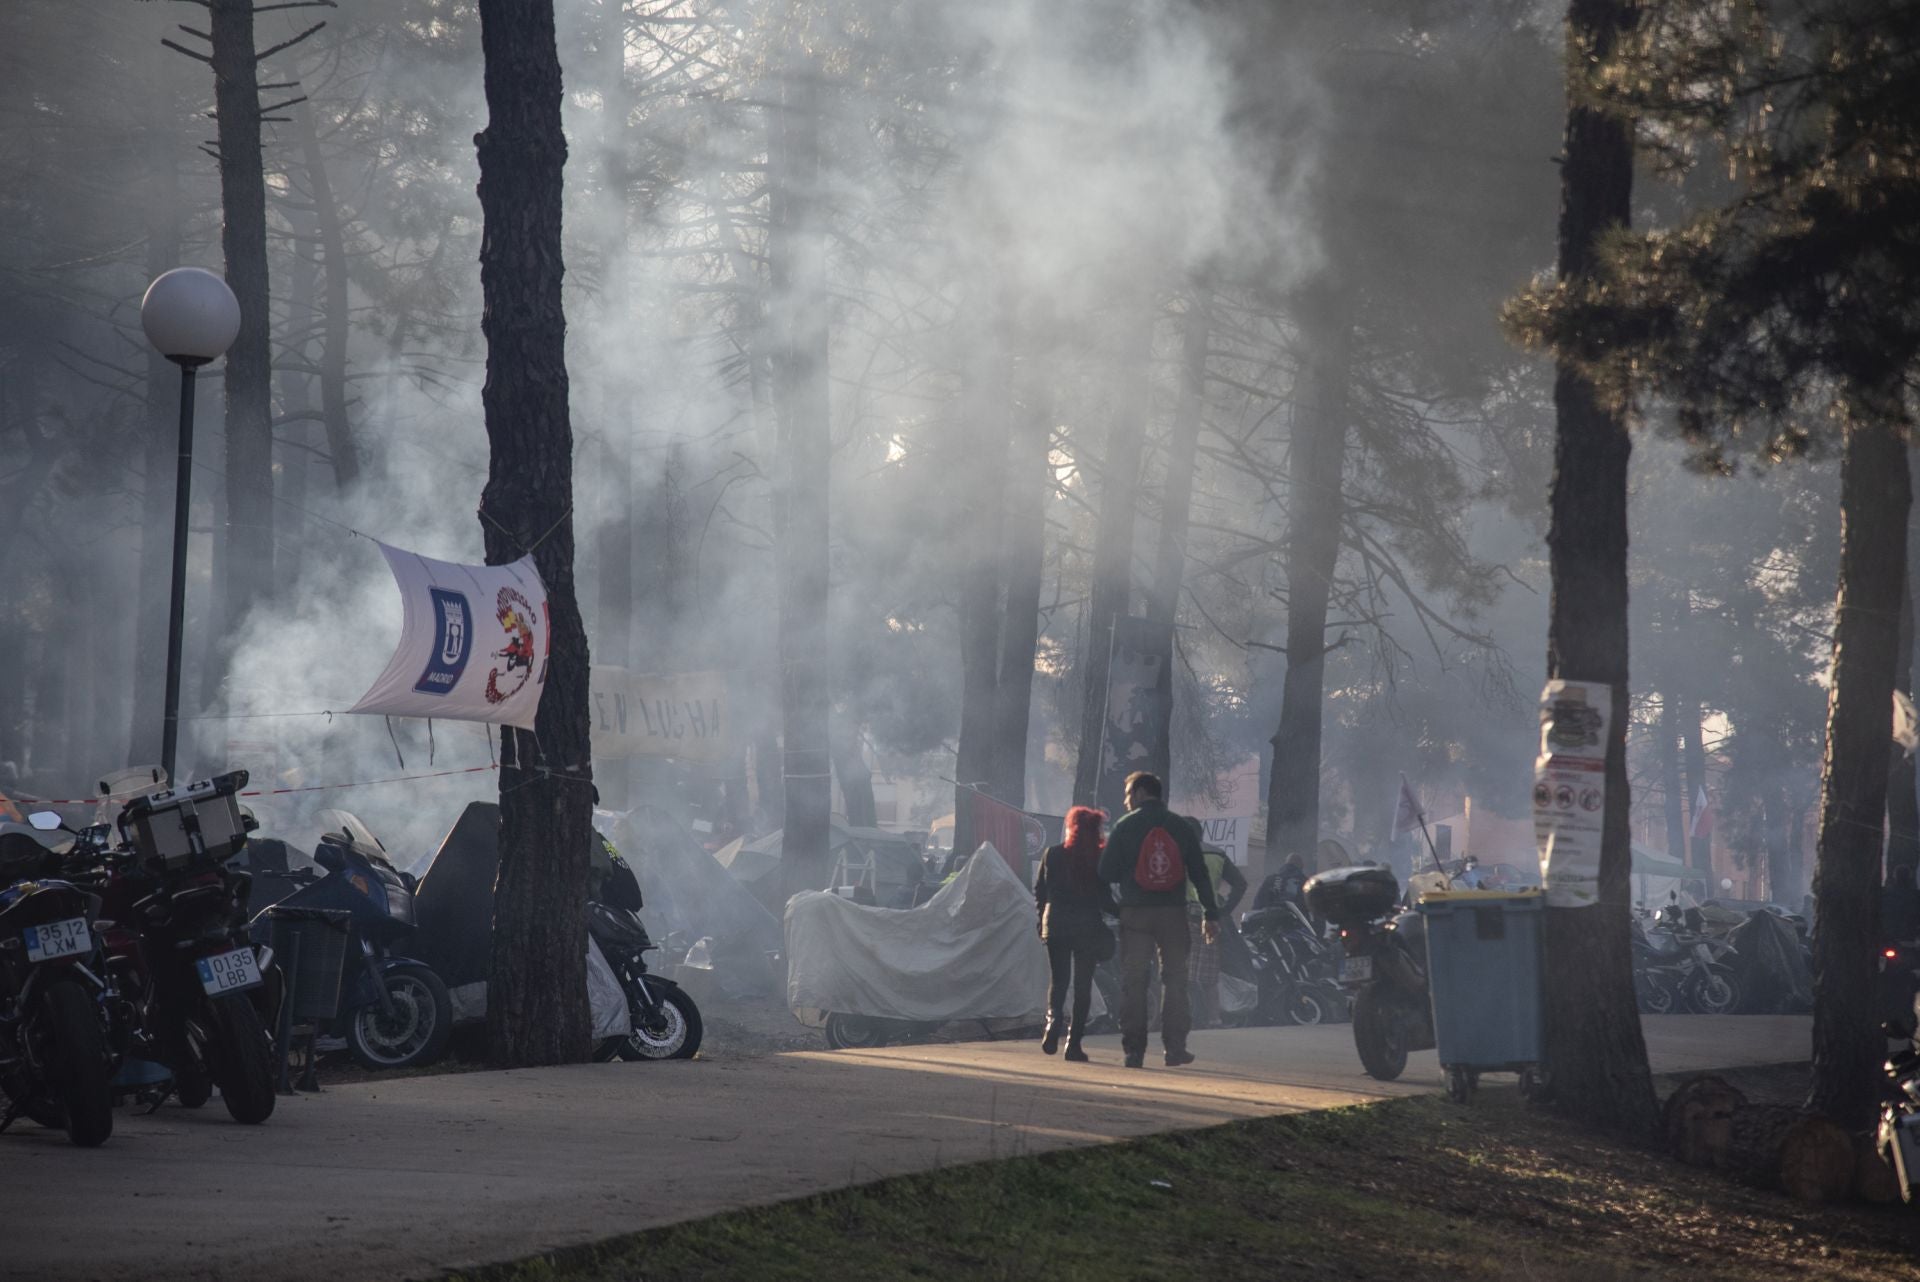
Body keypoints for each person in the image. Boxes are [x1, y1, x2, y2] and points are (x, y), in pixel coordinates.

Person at [1097, 771, 1219, 1068]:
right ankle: (1175, 1049)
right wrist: (1210, 914)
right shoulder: (1180, 826)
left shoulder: (1125, 826)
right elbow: (1200, 873)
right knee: (1175, 980)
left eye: (1128, 794)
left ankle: (1134, 1051)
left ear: (1139, 793)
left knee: (1134, 981)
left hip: (1135, 914)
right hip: (1173, 914)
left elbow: (1105, 873)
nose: (1126, 801)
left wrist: (1118, 905)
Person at [1033, 805, 1118, 1063]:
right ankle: (1073, 1043)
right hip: (1086, 928)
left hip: (1055, 923)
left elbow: (1040, 891)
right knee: (1082, 986)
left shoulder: (1053, 854)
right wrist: (1126, 912)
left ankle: (1053, 1022)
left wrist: (1041, 919)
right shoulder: (1098, 859)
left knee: (1058, 981)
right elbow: (1105, 900)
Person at [1186, 828, 1248, 1028]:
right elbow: (1240, 884)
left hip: (1181, 919)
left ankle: (1186, 1016)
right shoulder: (1217, 854)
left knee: (1181, 971)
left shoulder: (1175, 853)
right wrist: (1225, 910)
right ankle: (1214, 1018)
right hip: (1211, 919)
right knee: (1210, 974)